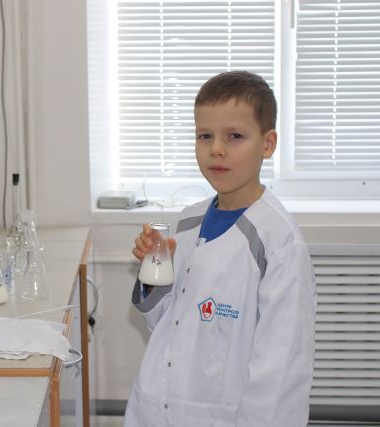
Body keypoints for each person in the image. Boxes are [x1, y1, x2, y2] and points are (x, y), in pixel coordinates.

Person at [126, 71, 317, 427]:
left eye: (235, 136)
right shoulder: (185, 224)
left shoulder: (279, 242)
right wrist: (154, 270)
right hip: (156, 408)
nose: (216, 148)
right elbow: (164, 322)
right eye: (205, 136)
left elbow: (281, 373)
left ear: (268, 144)